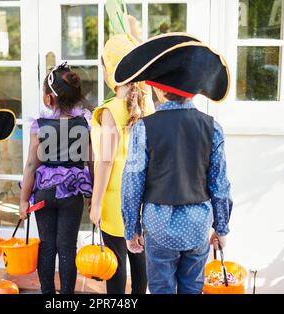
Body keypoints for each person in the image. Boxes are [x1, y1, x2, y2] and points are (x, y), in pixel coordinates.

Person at [117, 33, 233, 294]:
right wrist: (221, 227)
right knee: (193, 287)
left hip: (158, 225)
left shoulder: (143, 128)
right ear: (193, 91)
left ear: (158, 89)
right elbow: (220, 183)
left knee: (160, 288)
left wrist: (130, 228)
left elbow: (132, 183)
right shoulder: (213, 128)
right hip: (198, 224)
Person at [89, 32, 155, 294]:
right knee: (140, 259)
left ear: (111, 70)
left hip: (115, 199)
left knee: (114, 264)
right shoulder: (147, 102)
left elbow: (104, 162)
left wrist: (95, 205)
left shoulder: (111, 110)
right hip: (143, 196)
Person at [19, 62, 93, 294]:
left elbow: (32, 164)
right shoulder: (84, 124)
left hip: (45, 192)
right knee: (67, 247)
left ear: (49, 99)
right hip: (71, 192)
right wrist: (92, 194)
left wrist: (23, 200)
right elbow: (91, 161)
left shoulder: (41, 126)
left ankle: (48, 294)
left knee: (47, 246)